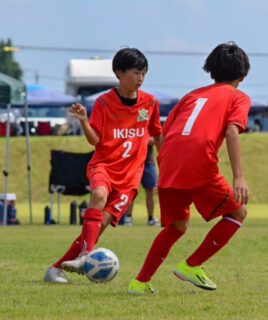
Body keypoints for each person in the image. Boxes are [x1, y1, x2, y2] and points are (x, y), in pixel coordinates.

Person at [128, 41, 251, 294]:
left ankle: (139, 283)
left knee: (178, 225)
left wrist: (170, 163)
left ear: (211, 71)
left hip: (168, 162)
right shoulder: (238, 96)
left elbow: (166, 131)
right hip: (198, 162)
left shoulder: (191, 95)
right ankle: (192, 265)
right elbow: (231, 131)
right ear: (242, 75)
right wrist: (239, 176)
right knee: (238, 214)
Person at [44, 47, 162, 283]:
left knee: (97, 229)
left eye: (144, 74)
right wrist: (84, 122)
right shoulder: (104, 102)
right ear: (119, 72)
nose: (140, 79)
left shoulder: (150, 103)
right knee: (98, 193)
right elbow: (95, 140)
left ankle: (56, 268)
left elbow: (157, 135)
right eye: (136, 73)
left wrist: (166, 165)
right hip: (104, 167)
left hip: (130, 179)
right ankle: (86, 255)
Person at [122, 138, 160, 226]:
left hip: (148, 162)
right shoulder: (132, 125)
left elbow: (155, 140)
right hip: (132, 162)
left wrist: (141, 139)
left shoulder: (149, 125)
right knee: (131, 190)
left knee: (150, 190)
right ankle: (128, 217)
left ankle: (151, 218)